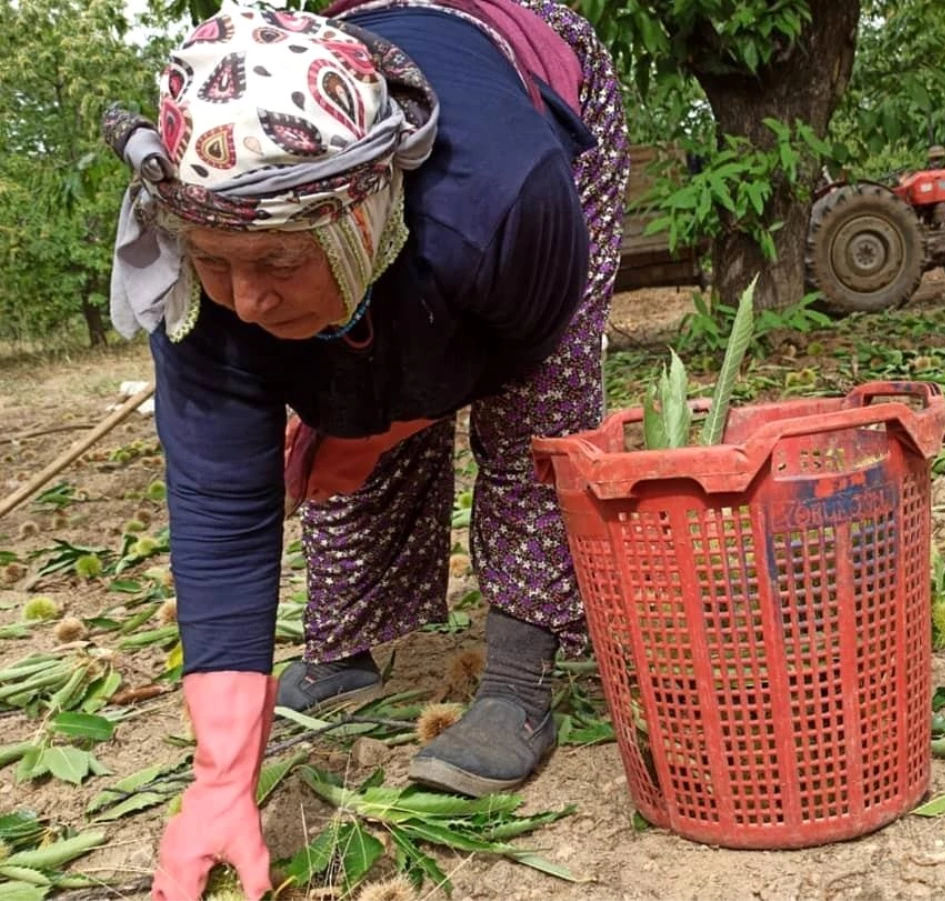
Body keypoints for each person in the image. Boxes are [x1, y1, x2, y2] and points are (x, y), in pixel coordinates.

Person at [103, 0, 627, 897]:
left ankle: (516, 680)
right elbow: (222, 505)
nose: (245, 297)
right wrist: (223, 780)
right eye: (216, 259)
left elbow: (532, 386)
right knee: (339, 411)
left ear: (357, 218)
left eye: (273, 263)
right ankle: (348, 644)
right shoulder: (203, 290)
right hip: (364, 167)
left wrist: (393, 408)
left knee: (519, 414)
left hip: (532, 90)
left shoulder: (503, 198)